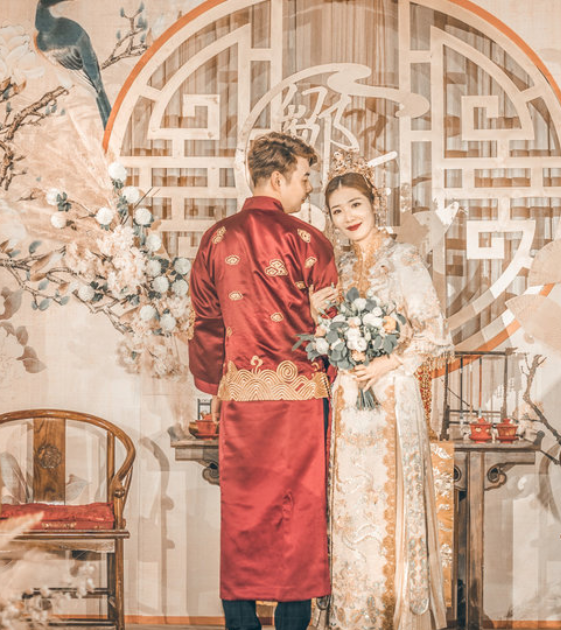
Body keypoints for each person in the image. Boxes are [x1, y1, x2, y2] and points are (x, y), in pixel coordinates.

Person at [187, 131, 339, 630]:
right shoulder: (309, 241)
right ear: (277, 178)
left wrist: (214, 385)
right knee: (299, 516)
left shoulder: (217, 238)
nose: (308, 189)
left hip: (243, 402)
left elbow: (207, 323)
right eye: (304, 178)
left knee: (244, 516)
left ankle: (241, 623)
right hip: (300, 402)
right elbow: (333, 330)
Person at [311, 160, 449, 630]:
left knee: (389, 501)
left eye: (355, 205)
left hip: (391, 393)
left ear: (374, 204)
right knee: (351, 506)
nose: (348, 217)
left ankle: (394, 613)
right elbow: (323, 331)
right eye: (337, 210)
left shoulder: (403, 258)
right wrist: (316, 314)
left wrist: (388, 363)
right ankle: (353, 615)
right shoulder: (340, 265)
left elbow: (433, 332)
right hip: (349, 398)